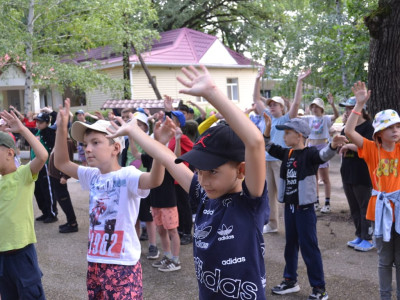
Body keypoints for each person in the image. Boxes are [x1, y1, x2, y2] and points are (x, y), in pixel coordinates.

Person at [108, 65, 269, 299]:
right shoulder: (204, 195)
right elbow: (167, 158)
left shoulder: (249, 203)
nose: (203, 179)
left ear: (241, 170)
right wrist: (135, 132)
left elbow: (255, 142)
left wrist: (212, 92)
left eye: (212, 171)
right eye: (200, 171)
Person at [54, 99, 167, 299]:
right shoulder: (93, 175)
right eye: (86, 144)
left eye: (95, 143)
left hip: (123, 264)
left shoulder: (128, 174)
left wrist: (159, 146)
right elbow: (61, 162)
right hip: (95, 261)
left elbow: (155, 180)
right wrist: (61, 128)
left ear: (115, 148)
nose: (88, 149)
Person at [264, 117, 347, 300]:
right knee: (290, 245)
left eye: (287, 133)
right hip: (290, 209)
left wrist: (333, 146)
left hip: (305, 210)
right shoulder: (287, 153)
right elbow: (267, 145)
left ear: (299, 135)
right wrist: (268, 129)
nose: (284, 137)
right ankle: (290, 281)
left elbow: (323, 155)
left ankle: (319, 288)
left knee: (309, 247)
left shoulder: (309, 154)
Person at [344, 81, 400, 300]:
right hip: (381, 209)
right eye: (389, 127)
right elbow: (349, 131)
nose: (395, 131)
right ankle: (384, 296)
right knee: (384, 260)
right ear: (379, 132)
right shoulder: (370, 149)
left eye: (397, 126)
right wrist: (359, 105)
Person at [253, 66, 311, 234]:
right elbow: (256, 99)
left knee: (286, 194)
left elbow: (297, 103)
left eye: (275, 105)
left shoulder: (287, 118)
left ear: (282, 107)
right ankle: (272, 224)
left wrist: (299, 81)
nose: (272, 107)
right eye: (270, 104)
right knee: (269, 194)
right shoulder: (267, 117)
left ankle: (292, 224)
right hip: (267, 160)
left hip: (281, 160)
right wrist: (257, 79)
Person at [0, 109, 49, 300]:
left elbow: (43, 155)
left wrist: (22, 129)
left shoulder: (23, 175)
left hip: (21, 254)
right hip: (1, 257)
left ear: (10, 153)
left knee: (30, 295)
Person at [338, 96, 374, 251]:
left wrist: (349, 146)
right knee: (354, 207)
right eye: (346, 109)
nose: (347, 112)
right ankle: (359, 235)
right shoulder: (345, 128)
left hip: (362, 173)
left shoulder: (369, 128)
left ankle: (368, 238)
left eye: (350, 108)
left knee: (364, 207)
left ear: (360, 110)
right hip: (347, 172)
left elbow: (370, 148)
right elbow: (339, 143)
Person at [302, 94, 339, 213]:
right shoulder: (309, 118)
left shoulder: (326, 118)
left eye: (316, 106)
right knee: (314, 177)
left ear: (321, 108)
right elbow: (294, 117)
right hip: (311, 148)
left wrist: (332, 104)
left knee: (325, 177)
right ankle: (316, 201)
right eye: (312, 106)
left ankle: (327, 203)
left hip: (323, 147)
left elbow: (336, 116)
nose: (314, 108)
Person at [48, 137, 79, 233]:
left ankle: (73, 223)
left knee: (64, 200)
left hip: (60, 177)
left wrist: (65, 176)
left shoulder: (67, 142)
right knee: (61, 200)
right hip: (55, 176)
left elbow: (69, 159)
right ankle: (70, 221)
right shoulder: (59, 141)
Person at [32, 112, 58, 223]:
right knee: (38, 190)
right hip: (35, 165)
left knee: (48, 190)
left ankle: (52, 213)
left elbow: (54, 148)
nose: (38, 124)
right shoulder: (36, 132)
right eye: (37, 121)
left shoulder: (50, 132)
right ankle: (45, 212)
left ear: (47, 122)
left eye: (41, 122)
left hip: (46, 165)